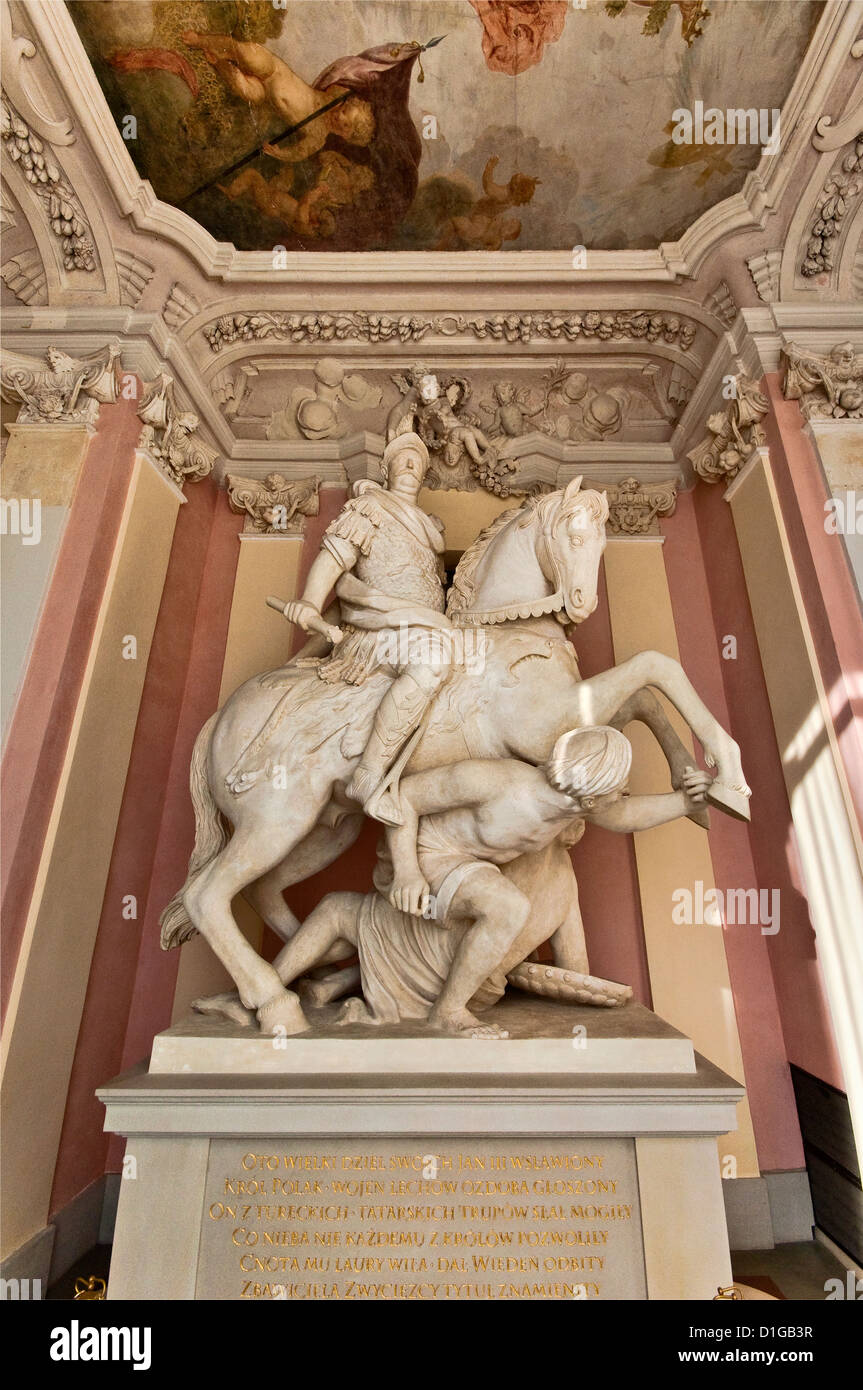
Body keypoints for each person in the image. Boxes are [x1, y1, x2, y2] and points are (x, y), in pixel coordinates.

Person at [269, 726, 713, 1035]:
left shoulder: (569, 810)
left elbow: (627, 817)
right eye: (619, 786)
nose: (623, 794)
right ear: (594, 791)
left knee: (503, 903)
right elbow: (402, 798)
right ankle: (449, 1012)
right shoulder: (496, 781)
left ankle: (435, 1001)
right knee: (508, 906)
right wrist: (406, 871)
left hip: (465, 868)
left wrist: (683, 801)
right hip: (426, 856)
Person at [270, 432, 453, 822]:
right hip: (379, 631)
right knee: (433, 661)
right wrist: (309, 602)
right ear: (385, 470)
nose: (410, 467)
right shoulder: (370, 507)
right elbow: (335, 556)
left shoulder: (431, 530)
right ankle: (368, 774)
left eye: (417, 463)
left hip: (427, 626)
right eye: (403, 460)